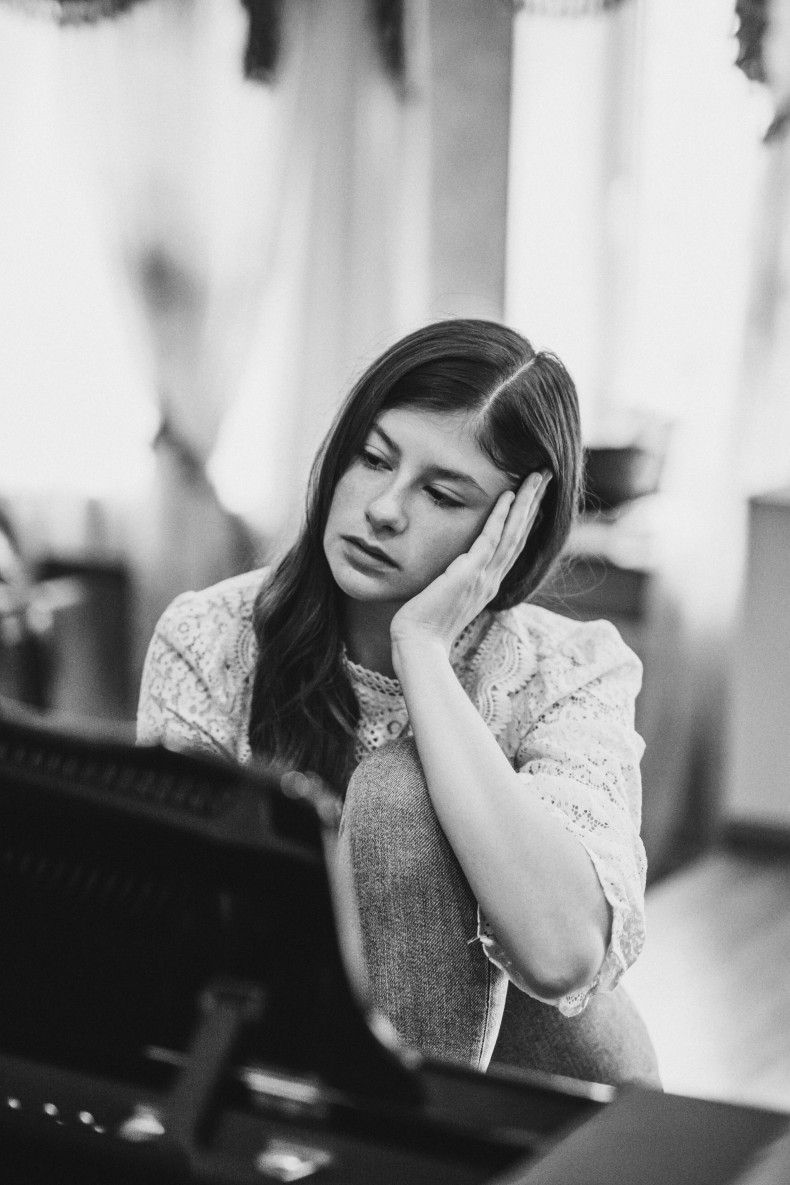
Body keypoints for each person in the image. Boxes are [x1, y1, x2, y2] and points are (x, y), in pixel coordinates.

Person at [137, 318, 653, 1080]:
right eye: (374, 458)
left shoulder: (572, 667)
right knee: (392, 802)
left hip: (540, 1075)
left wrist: (424, 652)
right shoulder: (211, 636)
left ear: (511, 530)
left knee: (401, 793)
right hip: (284, 1039)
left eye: (442, 494)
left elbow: (561, 955)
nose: (384, 508)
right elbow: (172, 928)